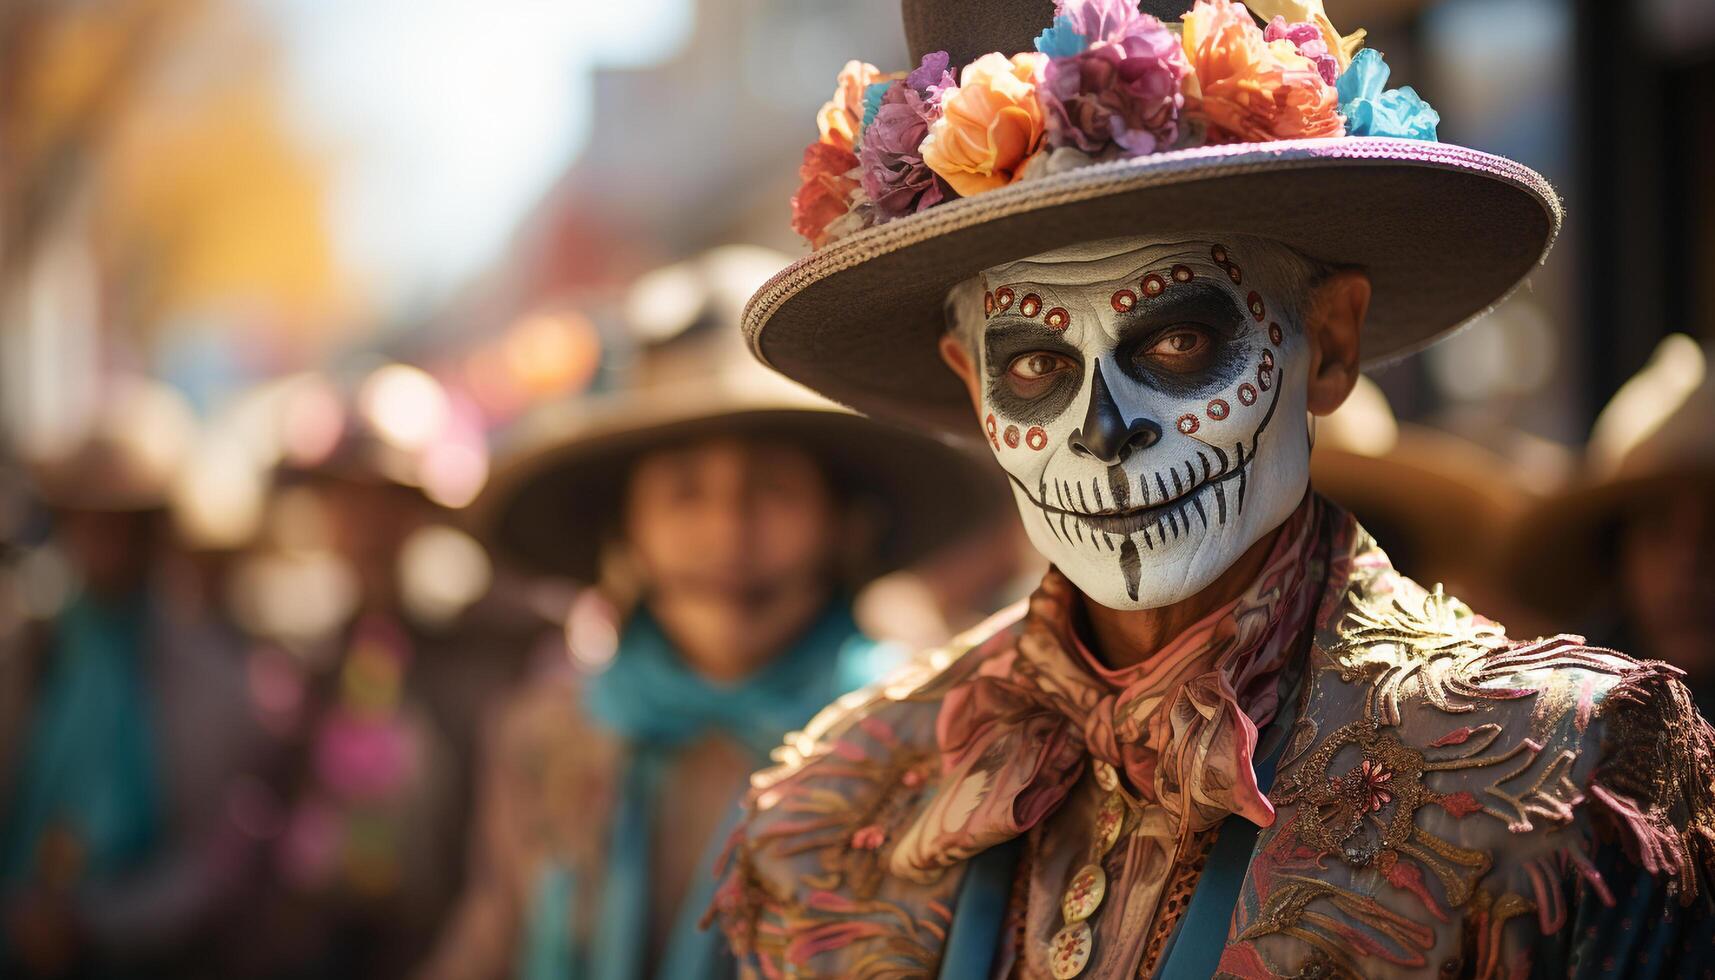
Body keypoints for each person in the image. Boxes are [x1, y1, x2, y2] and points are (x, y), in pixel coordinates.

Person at [709, 1, 1715, 976]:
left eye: (1177, 339)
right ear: (969, 383)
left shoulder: (1551, 781)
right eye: (1031, 368)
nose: (1102, 433)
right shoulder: (827, 809)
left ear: (1325, 341)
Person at [418, 249, 1008, 980]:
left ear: (844, 524)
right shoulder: (547, 733)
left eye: (771, 488)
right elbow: (492, 934)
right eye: (684, 492)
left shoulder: (930, 737)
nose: (727, 530)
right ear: (625, 529)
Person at [0, 381, 270, 978]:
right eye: (89, 521)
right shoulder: (28, 653)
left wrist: (95, 922)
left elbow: (214, 861)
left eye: (127, 524)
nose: (107, 545)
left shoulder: (212, 677)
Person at [1506, 334, 1715, 710]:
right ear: (1616, 553)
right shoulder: (1562, 727)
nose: (1690, 561)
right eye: (1658, 528)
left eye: (1714, 529)